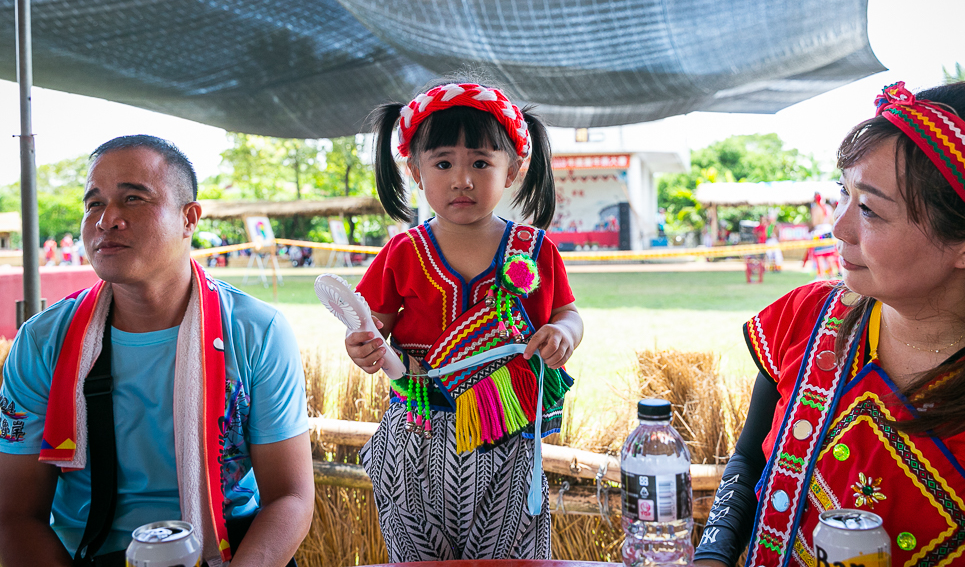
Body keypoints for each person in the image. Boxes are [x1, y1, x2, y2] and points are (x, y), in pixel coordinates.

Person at [693, 82, 965, 567]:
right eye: (842, 195)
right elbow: (749, 462)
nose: (839, 227)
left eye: (869, 208)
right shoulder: (803, 318)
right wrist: (713, 555)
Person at [0, 135, 314, 567]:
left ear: (189, 218)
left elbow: (290, 497)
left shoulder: (256, 331)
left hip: (230, 550)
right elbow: (15, 515)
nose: (107, 219)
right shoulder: (43, 342)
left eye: (133, 198)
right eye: (94, 204)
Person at [344, 81, 584, 562]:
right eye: (443, 163)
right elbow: (372, 326)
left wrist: (563, 334)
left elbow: (567, 313)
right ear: (414, 170)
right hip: (415, 439)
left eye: (480, 162)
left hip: (507, 439)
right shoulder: (403, 253)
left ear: (512, 170)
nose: (462, 179)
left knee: (509, 559)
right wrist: (362, 346)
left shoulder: (536, 251)